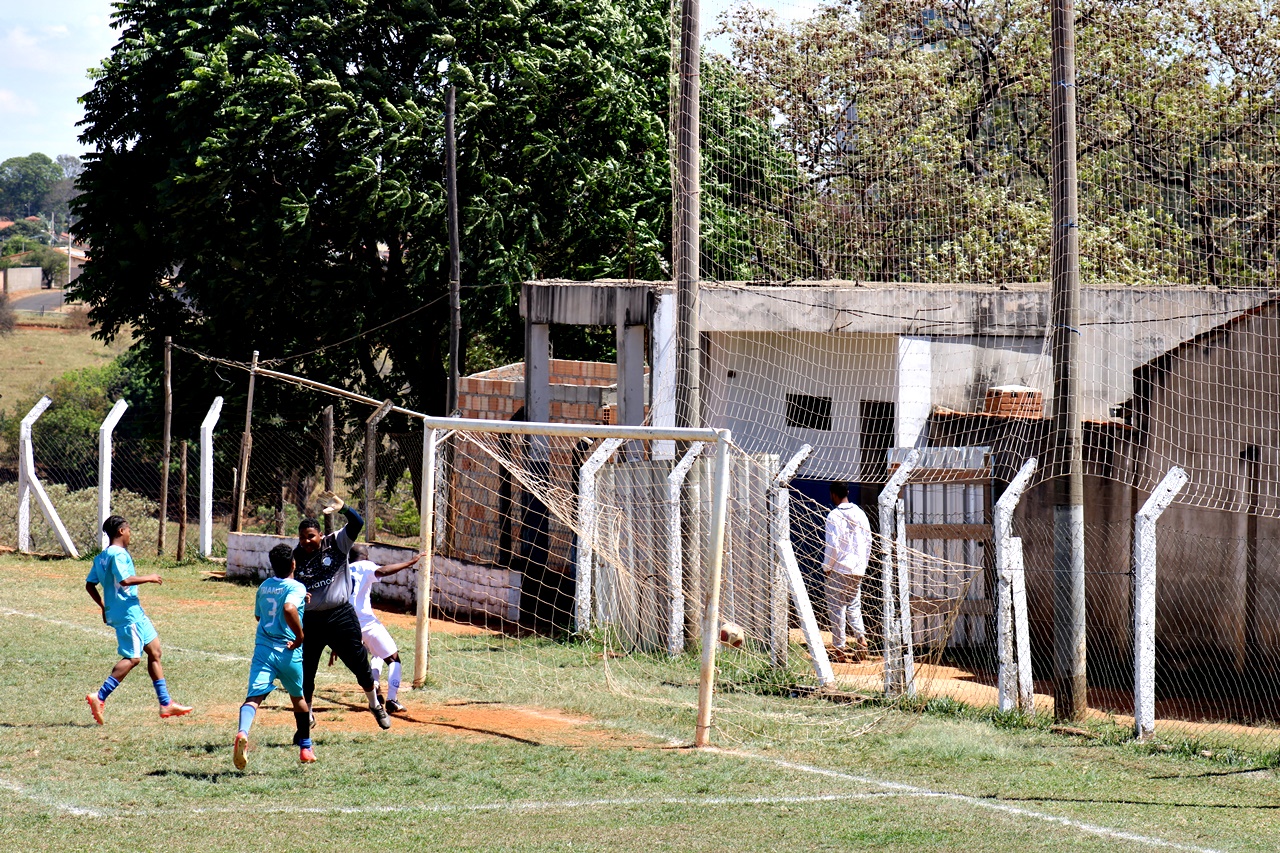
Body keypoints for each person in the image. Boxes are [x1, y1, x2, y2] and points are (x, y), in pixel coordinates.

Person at [293, 491, 391, 729]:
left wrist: (344, 508)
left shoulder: (336, 543)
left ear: (320, 535)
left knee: (360, 664)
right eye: (302, 538)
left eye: (311, 537)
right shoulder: (296, 555)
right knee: (306, 671)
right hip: (312, 621)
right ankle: (308, 716)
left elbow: (357, 523)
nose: (306, 542)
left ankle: (374, 705)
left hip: (340, 616)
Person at [84, 515, 193, 724]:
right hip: (127, 615)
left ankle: (165, 703)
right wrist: (150, 577)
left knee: (155, 651)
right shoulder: (118, 555)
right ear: (121, 532)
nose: (130, 533)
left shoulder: (101, 557)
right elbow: (125, 580)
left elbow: (90, 584)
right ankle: (99, 696)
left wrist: (103, 606)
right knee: (133, 658)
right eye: (129, 529)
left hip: (134, 611)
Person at [234, 544, 314, 768]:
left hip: (264, 650)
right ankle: (306, 747)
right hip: (288, 651)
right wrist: (299, 637)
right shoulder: (296, 586)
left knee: (254, 697)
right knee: (298, 698)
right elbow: (289, 608)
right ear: (293, 564)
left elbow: (260, 616)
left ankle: (242, 732)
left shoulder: (264, 586)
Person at [337, 544, 424, 714]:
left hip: (346, 623)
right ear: (366, 557)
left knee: (376, 653)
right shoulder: (365, 565)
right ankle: (392, 699)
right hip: (366, 622)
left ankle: (375, 685)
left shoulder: (342, 570)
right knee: (393, 659)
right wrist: (410, 562)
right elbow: (383, 571)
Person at [823, 482, 872, 664]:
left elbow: (832, 546)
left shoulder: (833, 516)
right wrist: (862, 566)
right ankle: (861, 639)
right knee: (853, 606)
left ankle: (839, 649)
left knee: (837, 609)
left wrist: (827, 567)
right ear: (848, 492)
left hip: (839, 568)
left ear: (833, 494)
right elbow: (869, 542)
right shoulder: (861, 514)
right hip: (857, 568)